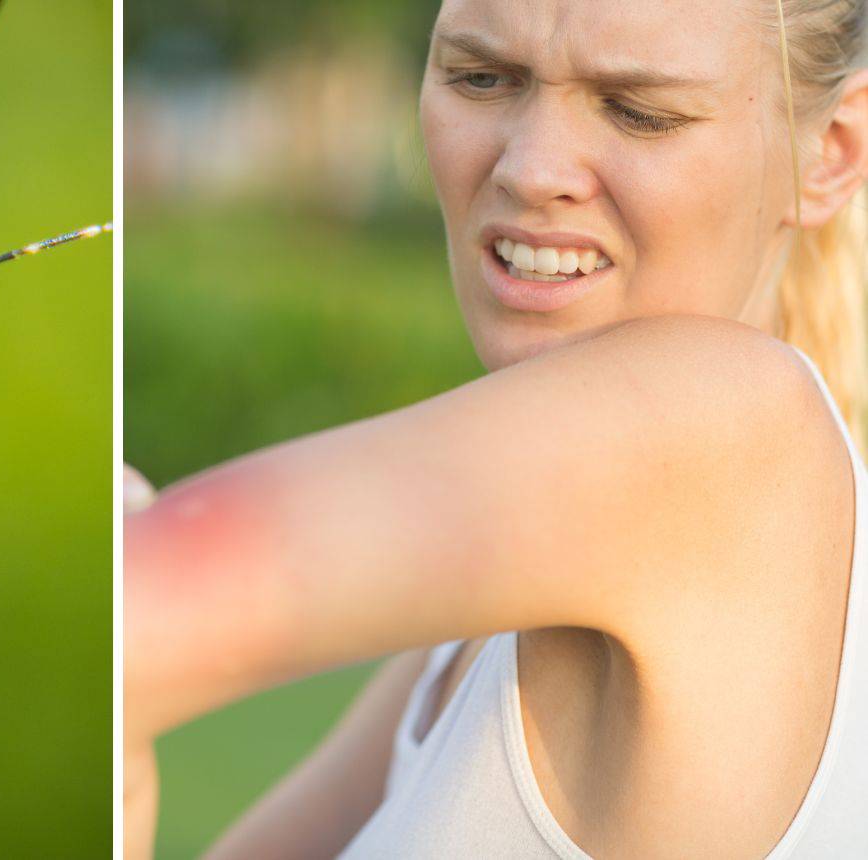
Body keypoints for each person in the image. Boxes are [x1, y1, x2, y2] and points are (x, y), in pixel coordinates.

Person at [124, 0, 868, 856]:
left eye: (641, 112)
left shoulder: (724, 420)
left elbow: (129, 619)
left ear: (833, 152)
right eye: (481, 77)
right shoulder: (492, 617)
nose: (530, 167)